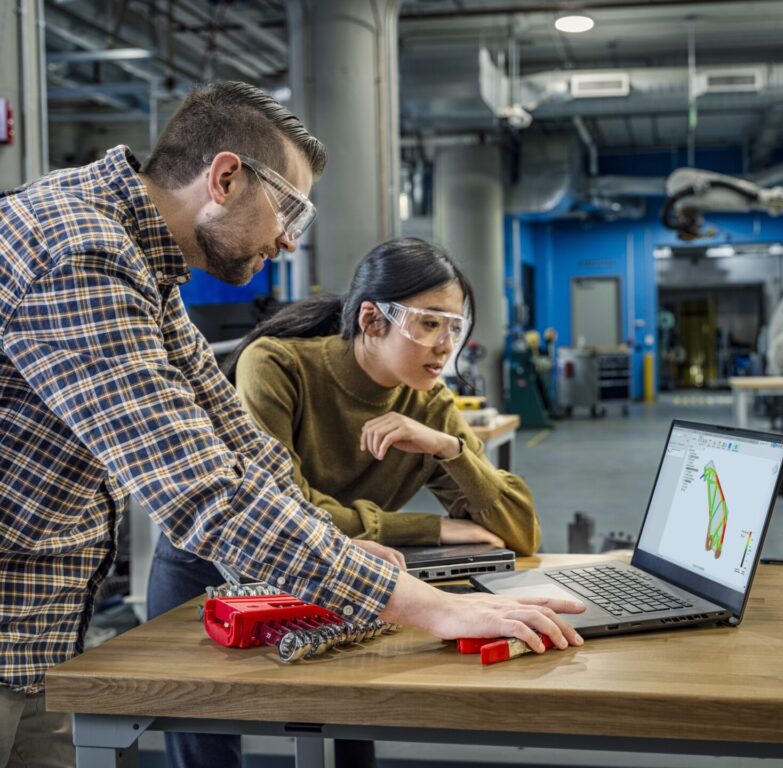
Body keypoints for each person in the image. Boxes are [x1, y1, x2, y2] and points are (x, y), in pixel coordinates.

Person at [0, 81, 583, 768]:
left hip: (36, 639)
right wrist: (428, 607)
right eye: (289, 211)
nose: (286, 239)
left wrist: (336, 544)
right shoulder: (81, 252)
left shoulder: (141, 265)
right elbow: (205, 492)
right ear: (224, 177)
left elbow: (244, 447)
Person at [229, 238, 541, 553]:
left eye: (454, 328)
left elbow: (522, 535)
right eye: (430, 323)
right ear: (372, 321)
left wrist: (449, 449)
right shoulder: (276, 366)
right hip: (226, 570)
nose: (446, 345)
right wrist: (430, 528)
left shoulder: (431, 404)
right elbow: (277, 512)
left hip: (342, 571)